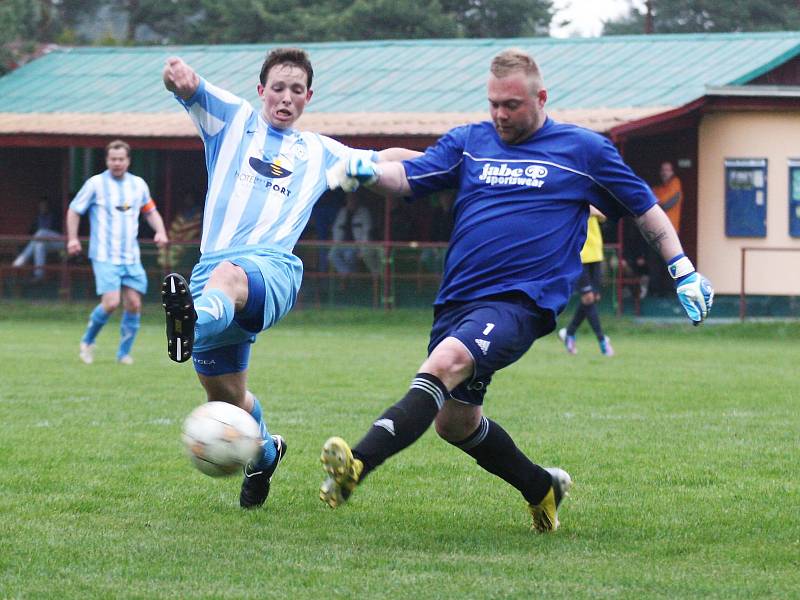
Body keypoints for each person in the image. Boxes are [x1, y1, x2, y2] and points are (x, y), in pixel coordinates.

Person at [321, 48, 714, 532]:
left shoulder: (583, 150)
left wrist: (682, 269)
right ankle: (541, 488)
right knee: (456, 424)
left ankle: (356, 465)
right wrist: (367, 172)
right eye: (493, 104)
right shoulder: (470, 142)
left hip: (521, 302)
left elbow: (644, 208)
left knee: (444, 364)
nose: (500, 115)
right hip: (458, 300)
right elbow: (406, 176)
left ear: (540, 97)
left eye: (511, 105)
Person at [160, 48, 417, 509]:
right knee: (228, 398)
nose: (286, 97)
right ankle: (263, 454)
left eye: (296, 90)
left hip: (270, 270)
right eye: (278, 88)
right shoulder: (232, 120)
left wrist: (449, 158)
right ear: (262, 91)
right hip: (211, 276)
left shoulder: (319, 151)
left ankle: (191, 322)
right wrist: (179, 78)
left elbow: (385, 158)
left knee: (230, 275)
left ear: (308, 97)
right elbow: (192, 87)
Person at [66, 139, 168, 365]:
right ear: (107, 160)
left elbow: (150, 211)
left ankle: (123, 354)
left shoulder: (138, 185)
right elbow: (74, 210)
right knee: (111, 302)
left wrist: (160, 231)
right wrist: (72, 239)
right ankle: (87, 341)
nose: (117, 163)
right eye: (113, 159)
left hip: (131, 256)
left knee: (133, 303)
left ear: (128, 160)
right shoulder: (95, 184)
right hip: (104, 255)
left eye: (121, 159)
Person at [558, 207, 614, 356]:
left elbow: (603, 215)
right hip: (579, 255)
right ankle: (602, 340)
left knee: (593, 298)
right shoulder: (573, 197)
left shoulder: (591, 197)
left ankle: (569, 333)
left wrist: (591, 210)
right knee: (588, 297)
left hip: (595, 253)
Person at [647, 161, 684, 296]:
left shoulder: (676, 183)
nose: (665, 172)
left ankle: (670, 290)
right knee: (655, 261)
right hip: (655, 230)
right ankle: (655, 290)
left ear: (672, 172)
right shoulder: (658, 188)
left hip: (671, 231)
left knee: (670, 261)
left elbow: (665, 205)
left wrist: (655, 203)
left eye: (667, 170)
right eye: (663, 170)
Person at [12, 197, 62, 281]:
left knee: (41, 232)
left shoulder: (55, 217)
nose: (43, 207)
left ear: (48, 207)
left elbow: (60, 230)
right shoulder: (37, 219)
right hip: (46, 244)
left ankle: (23, 258)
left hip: (58, 241)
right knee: (39, 245)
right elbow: (31, 234)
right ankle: (39, 275)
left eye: (45, 206)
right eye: (41, 206)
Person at [329, 193, 380, 274]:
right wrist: (336, 243)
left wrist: (362, 247)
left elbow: (367, 231)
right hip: (342, 244)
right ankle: (347, 275)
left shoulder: (364, 212)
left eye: (353, 199)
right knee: (332, 255)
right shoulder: (343, 212)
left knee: (348, 255)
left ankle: (352, 277)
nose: (351, 202)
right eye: (349, 200)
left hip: (357, 245)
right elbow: (336, 229)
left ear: (357, 200)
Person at [157, 190, 202, 270]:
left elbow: (192, 233)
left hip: (187, 246)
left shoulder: (198, 215)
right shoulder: (182, 214)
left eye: (188, 198)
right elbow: (174, 231)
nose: (186, 200)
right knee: (163, 252)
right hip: (175, 243)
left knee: (172, 254)